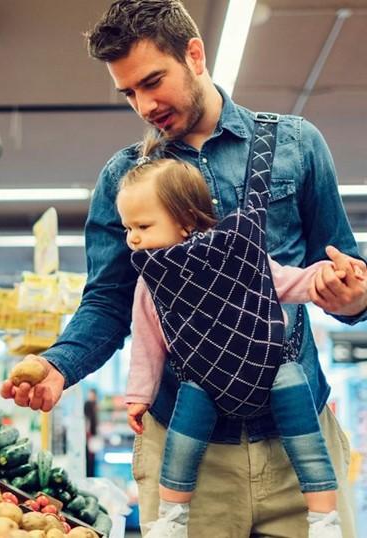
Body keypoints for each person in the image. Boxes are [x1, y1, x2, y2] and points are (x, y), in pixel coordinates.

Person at [0, 1, 367, 536]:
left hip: (301, 447)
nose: (145, 105)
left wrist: (353, 295)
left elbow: (342, 263)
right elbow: (108, 302)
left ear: (194, 55)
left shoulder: (297, 144)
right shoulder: (124, 178)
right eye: (129, 92)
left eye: (153, 81)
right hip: (184, 458)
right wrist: (60, 366)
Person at [118, 138, 360, 537]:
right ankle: (173, 517)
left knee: (303, 429)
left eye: (143, 226)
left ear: (186, 220)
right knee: (183, 439)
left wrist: (322, 278)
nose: (133, 238)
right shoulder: (153, 282)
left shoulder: (239, 254)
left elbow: (285, 281)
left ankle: (323, 517)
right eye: (128, 228)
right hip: (204, 384)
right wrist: (139, 395)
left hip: (272, 369)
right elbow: (147, 344)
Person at [84, 388, 99, 477]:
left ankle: (91, 474)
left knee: (92, 457)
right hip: (89, 436)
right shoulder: (88, 404)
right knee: (89, 458)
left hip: (92, 436)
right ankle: (89, 475)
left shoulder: (94, 405)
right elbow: (87, 421)